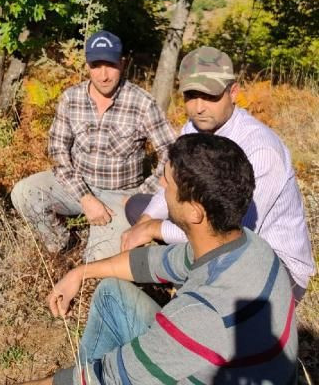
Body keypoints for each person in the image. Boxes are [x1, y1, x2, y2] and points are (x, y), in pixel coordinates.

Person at [22, 134, 298, 385]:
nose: (162, 184)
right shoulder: (248, 244)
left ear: (195, 212)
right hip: (231, 365)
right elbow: (150, 263)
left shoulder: (199, 316)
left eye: (169, 181)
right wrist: (80, 273)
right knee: (111, 292)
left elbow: (104, 379)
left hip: (199, 353)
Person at [120, 46, 315, 301]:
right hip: (210, 226)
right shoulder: (193, 128)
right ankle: (173, 275)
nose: (199, 107)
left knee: (167, 236)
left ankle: (187, 294)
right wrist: (147, 219)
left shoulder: (261, 151)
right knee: (138, 207)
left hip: (272, 263)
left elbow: (230, 235)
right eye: (191, 95)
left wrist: (155, 230)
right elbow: (170, 184)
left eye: (210, 96)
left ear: (233, 92)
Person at [11, 31, 175, 262]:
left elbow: (172, 154)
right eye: (96, 65)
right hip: (76, 185)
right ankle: (62, 247)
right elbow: (58, 151)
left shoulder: (142, 103)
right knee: (24, 193)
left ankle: (93, 257)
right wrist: (85, 197)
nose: (104, 75)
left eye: (110, 65)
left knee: (98, 264)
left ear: (123, 63)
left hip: (121, 195)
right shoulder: (72, 98)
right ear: (87, 65)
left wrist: (140, 196)